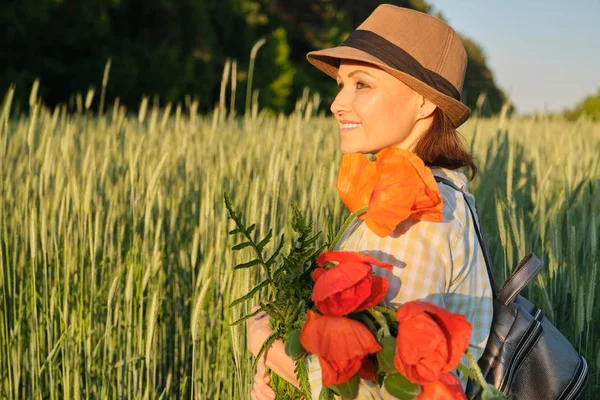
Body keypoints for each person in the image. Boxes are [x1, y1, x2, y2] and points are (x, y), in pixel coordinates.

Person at [246, 4, 494, 399]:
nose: (336, 103)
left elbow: (387, 391)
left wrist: (268, 346)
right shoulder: (425, 193)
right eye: (341, 84)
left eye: (362, 84)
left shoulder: (417, 214)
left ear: (424, 102)